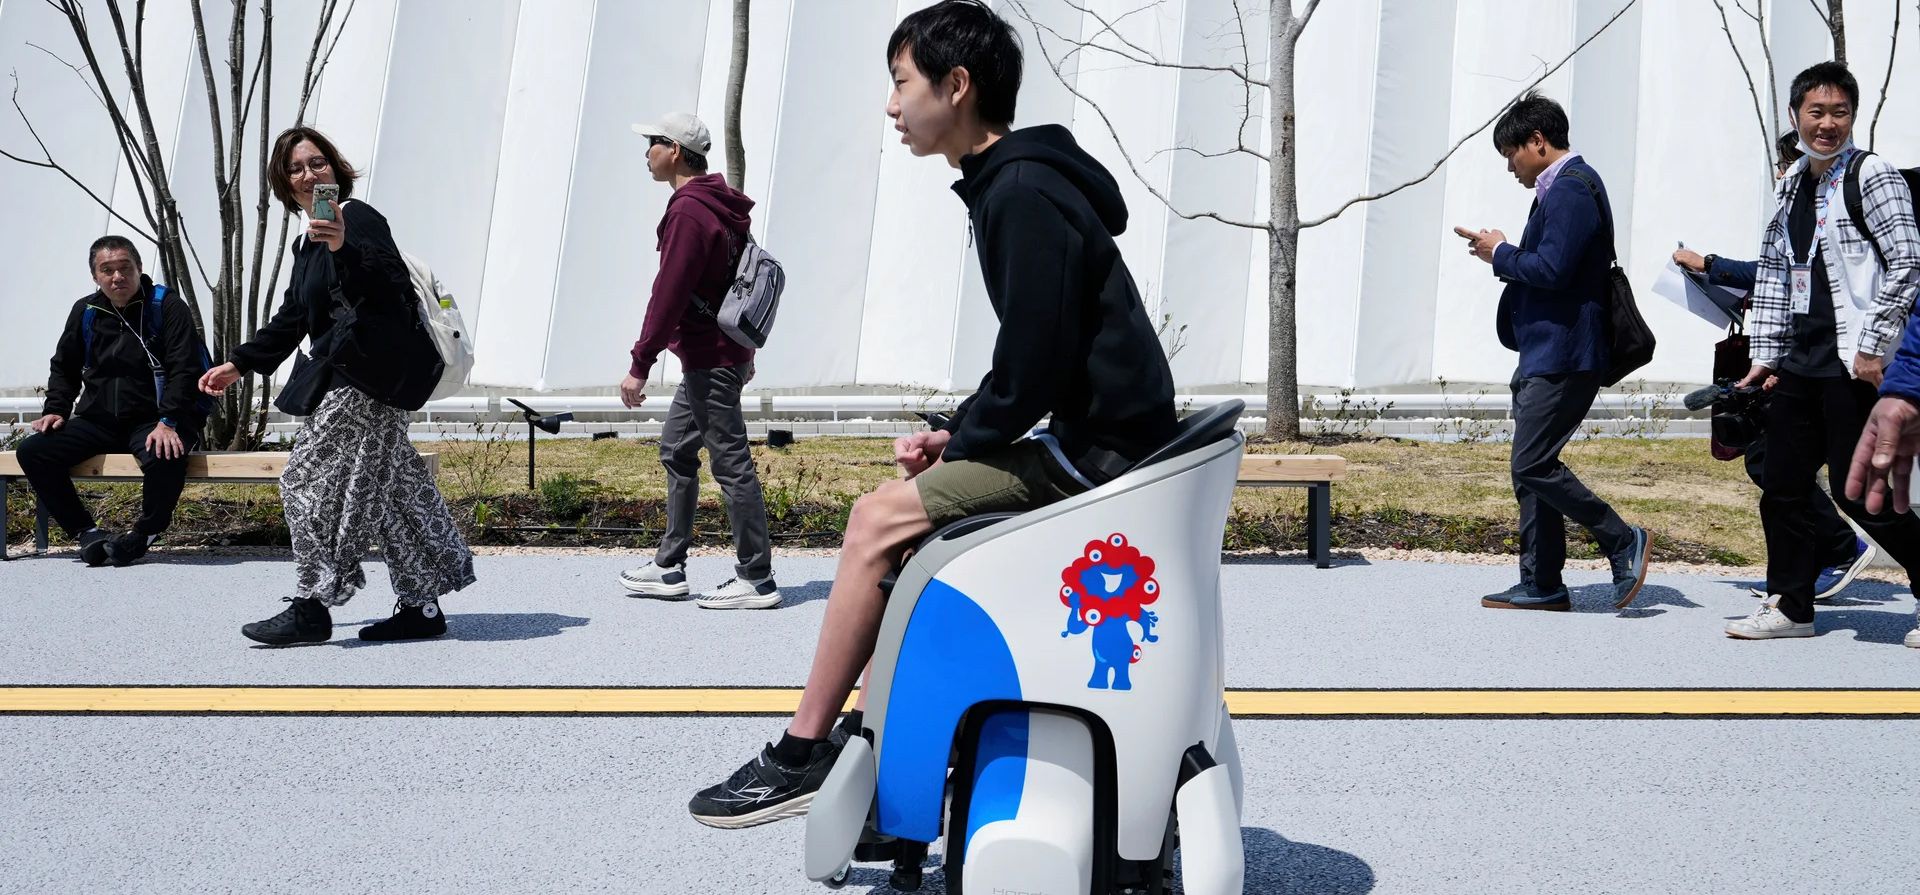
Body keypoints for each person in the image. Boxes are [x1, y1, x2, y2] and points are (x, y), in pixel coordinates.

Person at [687, 0, 1178, 829]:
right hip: (1100, 441)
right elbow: (1032, 360)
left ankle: (804, 753)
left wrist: (967, 439)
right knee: (905, 527)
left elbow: (1032, 367)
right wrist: (962, 432)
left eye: (900, 82)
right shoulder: (1020, 182)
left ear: (956, 86)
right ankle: (870, 736)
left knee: (876, 518)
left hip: (1100, 457)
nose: (890, 105)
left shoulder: (1020, 192)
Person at [199, 126, 476, 645]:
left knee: (305, 480)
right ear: (287, 184)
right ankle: (422, 607)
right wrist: (240, 363)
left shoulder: (361, 219)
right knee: (395, 493)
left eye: (317, 163)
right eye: (296, 169)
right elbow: (295, 315)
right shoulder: (309, 242)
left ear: (335, 168)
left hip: (366, 379)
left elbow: (390, 284)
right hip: (352, 377)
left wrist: (347, 246)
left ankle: (313, 604)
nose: (309, 175)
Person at [1731, 62, 1920, 641]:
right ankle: (1791, 606)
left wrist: (1871, 347)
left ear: (1853, 117)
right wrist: (1764, 354)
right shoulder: (1791, 183)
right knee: (1782, 482)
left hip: (1852, 363)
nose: (1827, 123)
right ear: (1795, 116)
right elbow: (1773, 273)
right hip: (1800, 361)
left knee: (1861, 491)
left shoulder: (1873, 176)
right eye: (1816, 112)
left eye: (1839, 112)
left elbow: (1910, 261)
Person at [1454, 91, 1652, 612]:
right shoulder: (1558, 189)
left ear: (1537, 142)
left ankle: (1621, 539)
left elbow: (1553, 270)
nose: (1510, 167)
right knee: (1531, 470)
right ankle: (1541, 581)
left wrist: (1500, 253)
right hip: (1545, 352)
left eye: (1511, 155)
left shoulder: (1570, 190)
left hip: (1565, 353)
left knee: (1532, 463)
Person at [1674, 133, 1877, 602]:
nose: (1781, 175)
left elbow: (1785, 276)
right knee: (1777, 468)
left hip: (1831, 364)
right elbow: (1777, 275)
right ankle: (1794, 597)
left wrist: (1711, 263)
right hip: (1799, 360)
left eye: (1786, 164)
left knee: (1839, 482)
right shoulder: (1796, 206)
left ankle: (1840, 550)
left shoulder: (1838, 209)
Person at [614, 111, 778, 610]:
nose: (646, 153)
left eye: (652, 143)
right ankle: (668, 568)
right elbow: (738, 283)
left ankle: (757, 578)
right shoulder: (721, 205)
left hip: (710, 357)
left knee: (731, 464)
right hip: (718, 353)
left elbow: (670, 293)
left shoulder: (689, 211)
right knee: (677, 450)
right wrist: (744, 353)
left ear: (676, 151)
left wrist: (640, 362)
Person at [16, 236, 211, 567]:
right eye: (107, 270)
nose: (117, 277)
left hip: (156, 418)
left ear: (139, 268)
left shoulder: (166, 307)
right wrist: (56, 410)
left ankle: (144, 534)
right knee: (34, 451)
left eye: (124, 268)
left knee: (166, 453)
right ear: (95, 276)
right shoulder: (86, 311)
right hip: (99, 419)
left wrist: (169, 422)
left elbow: (185, 368)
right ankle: (87, 532)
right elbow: (64, 365)